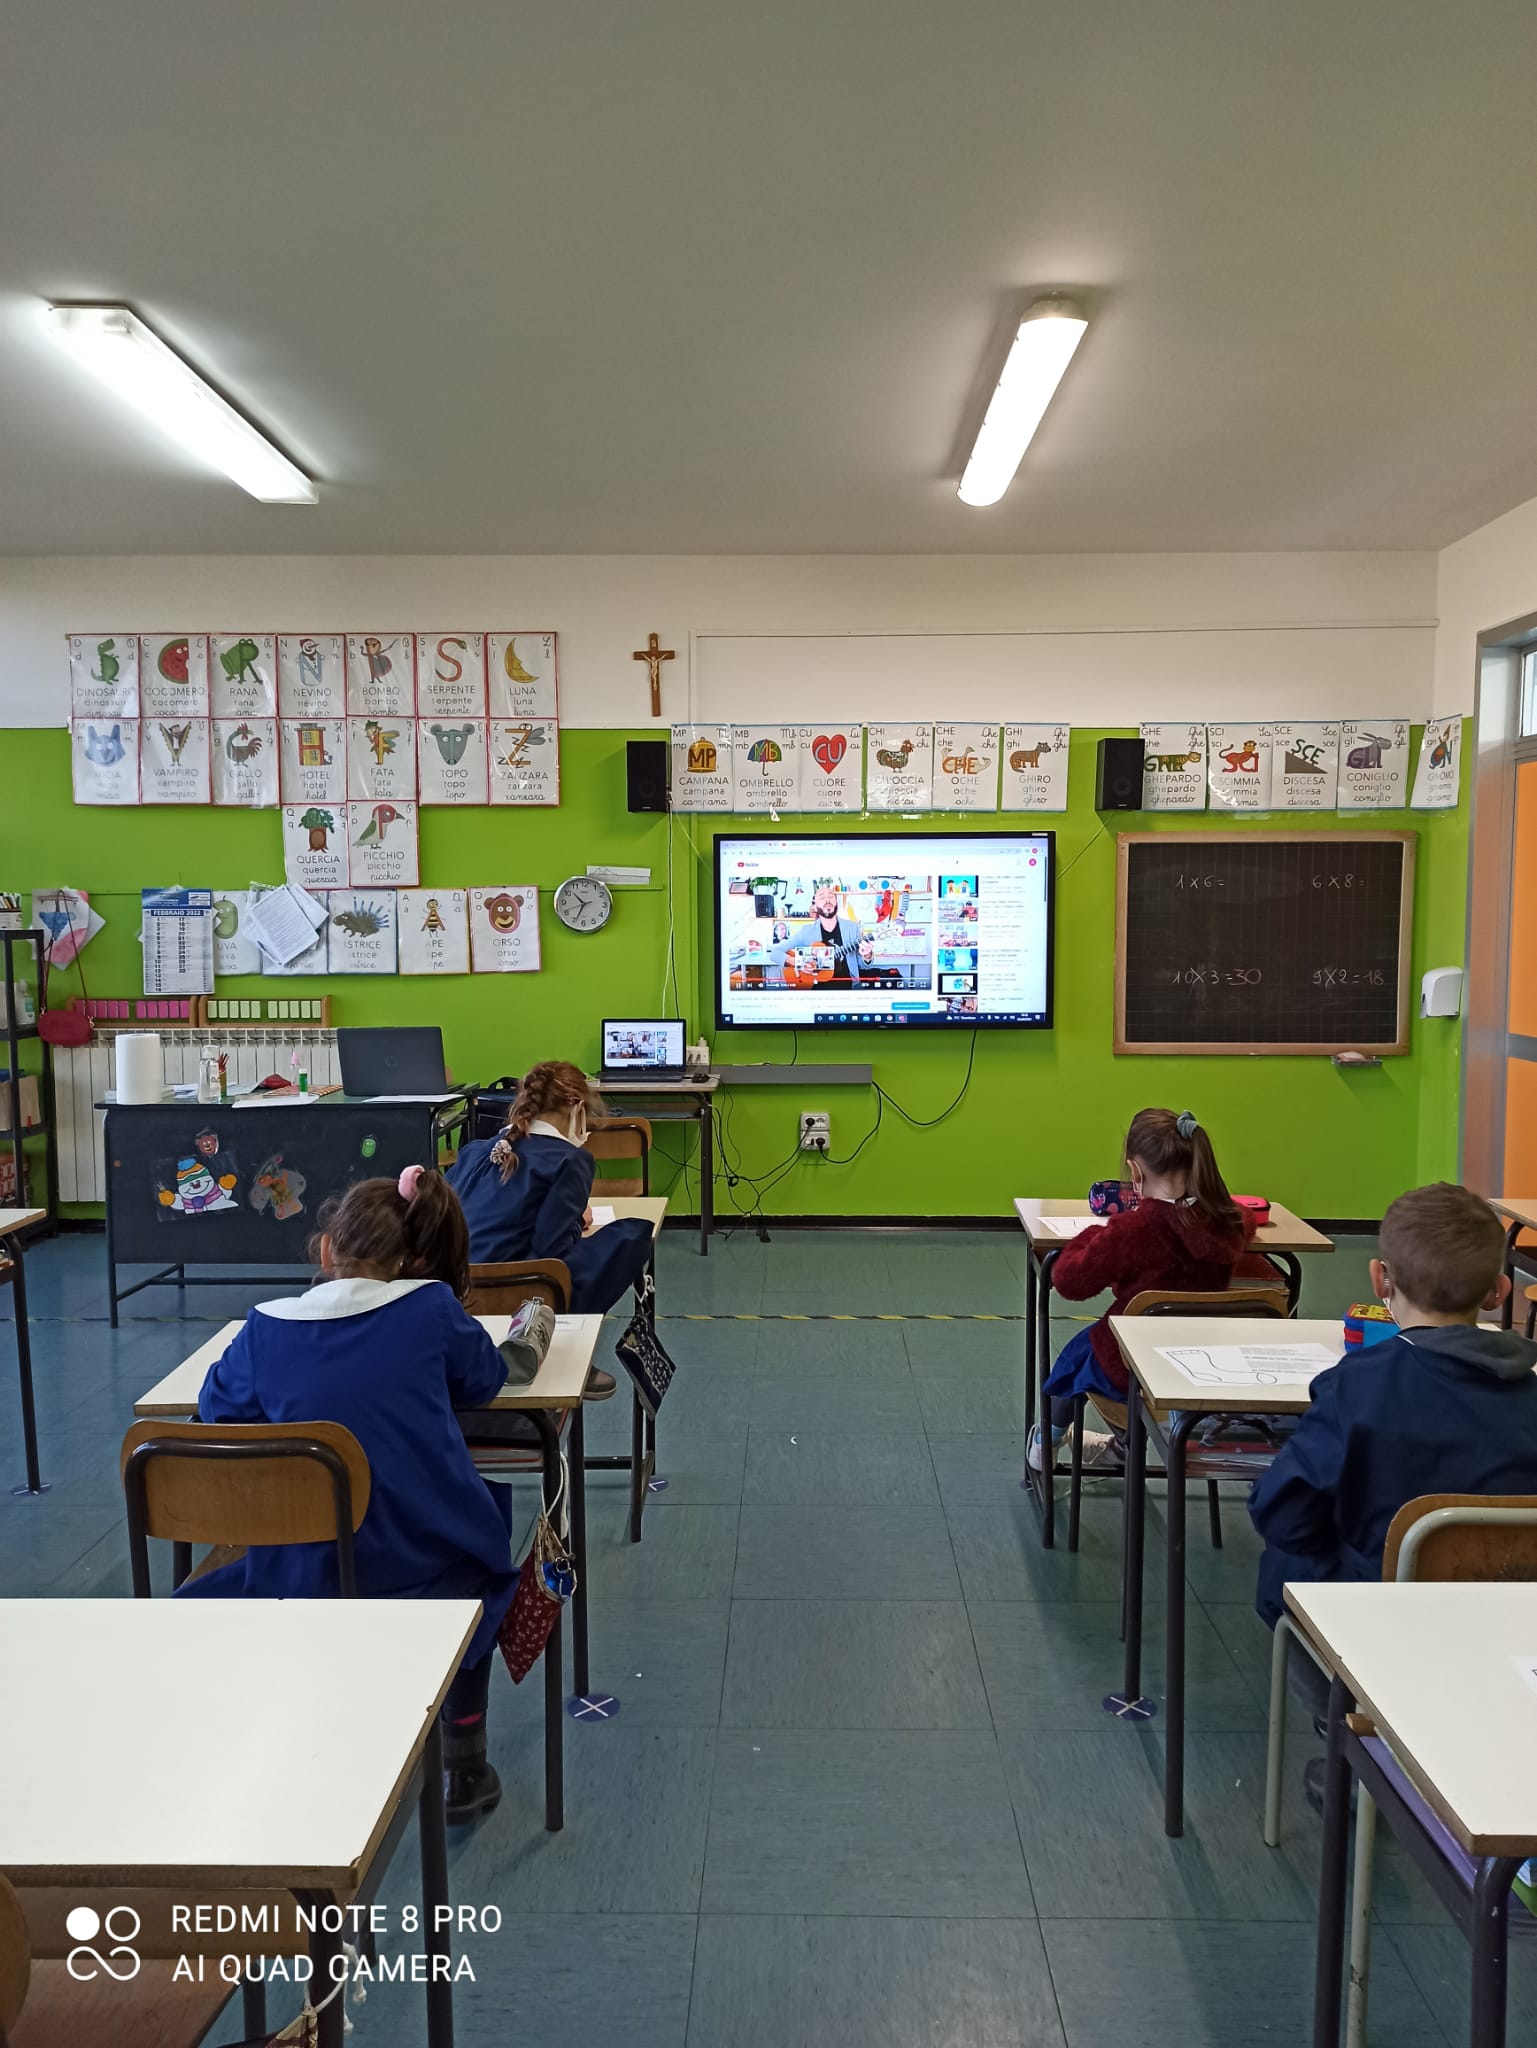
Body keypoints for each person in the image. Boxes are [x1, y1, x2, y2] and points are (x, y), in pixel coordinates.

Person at [187, 1168, 517, 1826]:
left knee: (205, 1593)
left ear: (325, 1250)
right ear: (414, 1259)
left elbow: (216, 1409)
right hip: (421, 1568)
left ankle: (281, 1749)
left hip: (299, 1577)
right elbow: (485, 1379)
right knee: (480, 1561)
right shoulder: (431, 1309)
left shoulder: (264, 1328)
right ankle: (464, 1760)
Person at [1250, 1182, 1537, 1623]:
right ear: (1498, 1291)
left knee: (1283, 1563)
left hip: (1375, 1615)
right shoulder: (1529, 1391)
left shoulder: (1356, 1385)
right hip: (1509, 1613)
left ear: (1380, 1278)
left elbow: (1282, 1512)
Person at [1028, 1107, 1255, 1471]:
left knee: (1077, 1357)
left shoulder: (1133, 1230)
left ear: (1135, 1171)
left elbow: (1069, 1281)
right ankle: (1120, 1446)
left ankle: (1047, 1444)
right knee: (1093, 1347)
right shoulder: (1227, 1220)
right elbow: (1246, 1218)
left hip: (1136, 1363)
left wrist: (1097, 1233)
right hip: (1204, 1362)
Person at [447, 1060, 653, 1334]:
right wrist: (576, 1220)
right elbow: (551, 1251)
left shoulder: (474, 1151)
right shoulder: (571, 1160)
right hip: (520, 1288)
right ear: (576, 1105)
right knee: (633, 1233)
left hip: (456, 1288)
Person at [789, 885, 863, 984]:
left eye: (831, 896)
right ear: (815, 906)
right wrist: (798, 963)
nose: (827, 900)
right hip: (815, 987)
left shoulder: (853, 927)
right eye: (822, 897)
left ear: (836, 902)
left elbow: (862, 965)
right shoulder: (806, 931)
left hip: (847, 987)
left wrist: (867, 956)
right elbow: (777, 952)